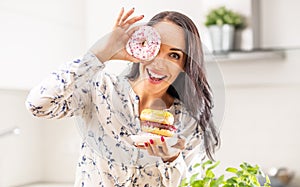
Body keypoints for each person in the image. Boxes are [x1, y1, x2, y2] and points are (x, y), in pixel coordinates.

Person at [25, 7, 220, 187]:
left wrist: (171, 159)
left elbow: (192, 183)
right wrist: (101, 54)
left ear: (185, 66)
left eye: (174, 55)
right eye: (155, 47)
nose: (159, 62)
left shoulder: (189, 122)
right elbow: (38, 105)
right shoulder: (99, 90)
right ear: (141, 46)